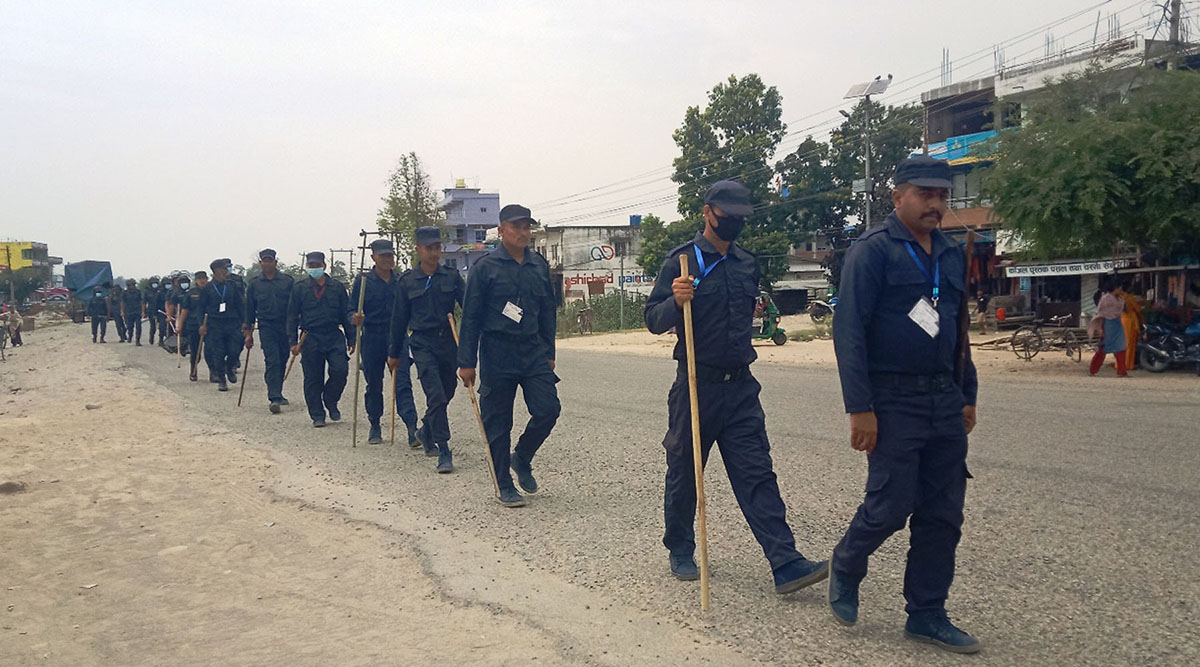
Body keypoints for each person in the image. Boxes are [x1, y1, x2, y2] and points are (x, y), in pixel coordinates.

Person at [644, 180, 828, 593]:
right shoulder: (682, 261)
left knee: (757, 473)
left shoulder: (746, 262)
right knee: (686, 472)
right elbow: (653, 320)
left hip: (741, 388)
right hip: (696, 384)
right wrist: (675, 300)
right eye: (728, 215)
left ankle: (786, 563)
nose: (736, 222)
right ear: (708, 212)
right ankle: (680, 547)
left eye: (742, 216)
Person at [829, 156, 981, 653]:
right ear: (898, 197)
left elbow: (958, 331)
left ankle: (927, 614)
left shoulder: (953, 253)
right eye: (925, 194)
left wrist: (967, 393)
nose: (936, 203)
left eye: (942, 195)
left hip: (943, 396)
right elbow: (848, 332)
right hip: (891, 399)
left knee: (943, 514)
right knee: (891, 506)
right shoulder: (872, 252)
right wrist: (860, 407)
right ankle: (847, 564)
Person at [457, 204, 560, 507]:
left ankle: (522, 457)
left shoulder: (538, 265)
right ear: (501, 230)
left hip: (533, 350)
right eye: (516, 227)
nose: (523, 232)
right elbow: (471, 316)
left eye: (527, 227)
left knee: (548, 409)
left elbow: (547, 311)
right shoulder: (485, 268)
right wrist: (466, 362)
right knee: (498, 421)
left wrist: (549, 351)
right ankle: (504, 483)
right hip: (497, 351)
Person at [389, 227, 465, 473]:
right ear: (419, 249)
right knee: (436, 395)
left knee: (448, 391)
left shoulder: (451, 277)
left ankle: (426, 430)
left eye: (437, 247)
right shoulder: (407, 282)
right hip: (422, 344)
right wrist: (393, 353)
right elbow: (399, 319)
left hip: (448, 342)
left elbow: (470, 307)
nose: (434, 253)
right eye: (429, 248)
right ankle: (443, 448)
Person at [349, 239, 418, 446]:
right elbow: (350, 309)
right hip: (372, 337)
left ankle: (412, 427)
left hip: (397, 337)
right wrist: (354, 317)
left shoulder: (401, 281)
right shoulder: (363, 282)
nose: (388, 259)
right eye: (383, 256)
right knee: (374, 384)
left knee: (403, 382)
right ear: (373, 257)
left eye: (390, 255)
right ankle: (375, 424)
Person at [287, 251, 353, 427]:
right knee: (313, 378)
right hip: (310, 337)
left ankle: (330, 400)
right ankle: (317, 414)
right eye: (311, 266)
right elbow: (292, 316)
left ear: (324, 266)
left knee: (340, 371)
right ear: (308, 267)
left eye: (317, 265)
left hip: (333, 335)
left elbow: (346, 315)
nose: (314, 269)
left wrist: (352, 339)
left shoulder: (337, 287)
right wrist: (293, 342)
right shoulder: (299, 288)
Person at [179, 260, 244, 391]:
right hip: (215, 324)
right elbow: (200, 308)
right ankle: (221, 379)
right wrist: (201, 325)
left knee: (234, 350)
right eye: (224, 269)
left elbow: (240, 305)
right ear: (217, 270)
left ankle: (230, 368)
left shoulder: (232, 286)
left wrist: (245, 322)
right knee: (218, 353)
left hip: (232, 322)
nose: (226, 271)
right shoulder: (207, 289)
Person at [245, 248, 295, 414]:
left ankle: (278, 391)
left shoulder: (287, 281)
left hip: (285, 326)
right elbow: (250, 310)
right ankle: (274, 397)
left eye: (270, 260)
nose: (267, 263)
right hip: (266, 326)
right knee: (272, 360)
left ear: (275, 261)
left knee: (282, 359)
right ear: (260, 263)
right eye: (264, 260)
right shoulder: (254, 284)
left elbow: (295, 306)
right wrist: (248, 334)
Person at [1088, 280, 1128, 377]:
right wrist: (1100, 328)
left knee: (1121, 347)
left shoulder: (1119, 298)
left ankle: (1122, 371)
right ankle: (1093, 370)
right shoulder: (1105, 299)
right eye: (1119, 288)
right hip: (1107, 324)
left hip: (1117, 324)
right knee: (1103, 348)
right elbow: (1101, 313)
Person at [177, 271, 208, 381]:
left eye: (204, 278)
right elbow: (184, 310)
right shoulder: (190, 294)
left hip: (209, 325)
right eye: (199, 278)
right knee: (195, 351)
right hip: (194, 325)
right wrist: (179, 325)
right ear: (195, 281)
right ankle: (193, 370)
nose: (202, 280)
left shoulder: (211, 290)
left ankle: (215, 372)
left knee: (212, 350)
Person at [1116, 281, 1142, 370]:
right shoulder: (1129, 298)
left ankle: (1119, 364)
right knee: (1129, 344)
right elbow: (1138, 309)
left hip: (1121, 320)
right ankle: (1127, 365)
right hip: (1130, 322)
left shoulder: (1119, 297)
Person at [120, 278, 144, 345]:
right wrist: (122, 311)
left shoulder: (138, 292)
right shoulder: (124, 293)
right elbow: (122, 302)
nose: (132, 286)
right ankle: (130, 336)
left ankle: (137, 340)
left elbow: (141, 301)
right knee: (130, 327)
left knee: (138, 326)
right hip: (128, 312)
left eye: (133, 285)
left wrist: (143, 311)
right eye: (130, 285)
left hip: (137, 311)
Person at [144, 276, 163, 345]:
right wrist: (144, 311)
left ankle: (161, 340)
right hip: (151, 310)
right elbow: (144, 302)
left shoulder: (160, 291)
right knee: (153, 326)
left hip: (160, 310)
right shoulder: (147, 291)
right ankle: (151, 337)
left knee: (162, 326)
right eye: (153, 283)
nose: (155, 284)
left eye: (156, 283)